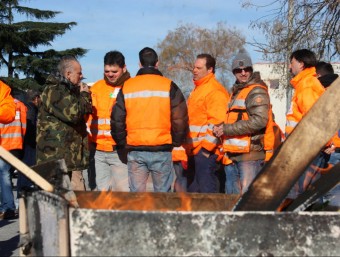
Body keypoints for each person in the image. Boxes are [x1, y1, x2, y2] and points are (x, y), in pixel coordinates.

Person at [111, 47, 188, 192]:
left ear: (139, 64)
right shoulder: (169, 85)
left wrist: (122, 144)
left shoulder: (128, 86)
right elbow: (180, 118)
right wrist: (176, 141)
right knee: (162, 197)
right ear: (157, 63)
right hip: (162, 148)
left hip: (135, 150)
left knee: (137, 198)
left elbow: (117, 119)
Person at [213, 48, 274, 195]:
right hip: (234, 156)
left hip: (250, 157)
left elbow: (259, 121)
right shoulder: (236, 91)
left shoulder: (256, 91)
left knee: (247, 204)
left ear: (251, 70)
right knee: (233, 203)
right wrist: (221, 128)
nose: (243, 73)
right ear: (234, 72)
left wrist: (226, 129)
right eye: (239, 70)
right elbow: (238, 118)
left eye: (247, 69)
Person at [36, 55, 92, 191]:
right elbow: (74, 114)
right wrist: (84, 95)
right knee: (54, 197)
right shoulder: (55, 90)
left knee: (63, 197)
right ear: (68, 74)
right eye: (79, 73)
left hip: (64, 156)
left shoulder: (65, 90)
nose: (81, 76)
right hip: (54, 157)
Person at [284, 49, 330, 202]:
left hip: (306, 148)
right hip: (307, 148)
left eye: (292, 63)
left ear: (301, 64)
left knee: (304, 196)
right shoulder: (306, 84)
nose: (290, 67)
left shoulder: (307, 86)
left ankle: (311, 224)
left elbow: (314, 120)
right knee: (309, 195)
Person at [86, 50, 130, 191]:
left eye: (114, 71)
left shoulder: (130, 87)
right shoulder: (96, 88)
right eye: (107, 71)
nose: (110, 74)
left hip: (120, 150)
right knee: (102, 192)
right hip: (98, 150)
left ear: (124, 68)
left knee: (123, 192)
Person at [185, 53, 229, 193]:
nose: (195, 70)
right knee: (195, 197)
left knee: (207, 197)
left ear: (210, 70)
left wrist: (205, 151)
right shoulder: (198, 89)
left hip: (206, 154)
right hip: (196, 152)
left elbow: (217, 123)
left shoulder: (214, 91)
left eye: (199, 67)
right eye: (194, 67)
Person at [316, 61, 339, 208]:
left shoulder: (330, 94)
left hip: (334, 152)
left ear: (317, 75)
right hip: (329, 150)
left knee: (332, 198)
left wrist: (334, 144)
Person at [0, 97, 27, 220]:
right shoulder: (20, 105)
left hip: (3, 145)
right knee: (6, 176)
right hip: (16, 144)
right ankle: (7, 206)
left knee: (4, 176)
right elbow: (24, 127)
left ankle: (8, 208)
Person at [17, 90, 41, 193]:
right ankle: (23, 194)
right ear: (36, 98)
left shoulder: (26, 107)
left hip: (25, 143)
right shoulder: (32, 109)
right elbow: (30, 128)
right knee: (27, 169)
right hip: (29, 145)